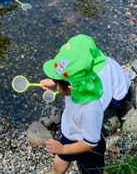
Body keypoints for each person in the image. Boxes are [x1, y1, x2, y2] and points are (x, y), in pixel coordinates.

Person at [42, 40, 106, 174]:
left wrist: (63, 149)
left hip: (88, 145)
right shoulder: (79, 85)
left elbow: (90, 142)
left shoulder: (90, 110)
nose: (58, 89)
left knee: (89, 171)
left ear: (71, 87)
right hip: (71, 133)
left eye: (59, 85)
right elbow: (70, 71)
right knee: (58, 164)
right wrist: (54, 80)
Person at [41, 35, 134, 114]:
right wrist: (54, 80)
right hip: (114, 73)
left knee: (113, 106)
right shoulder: (92, 59)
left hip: (117, 95)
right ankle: (123, 72)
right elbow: (73, 72)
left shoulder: (100, 80)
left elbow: (99, 106)